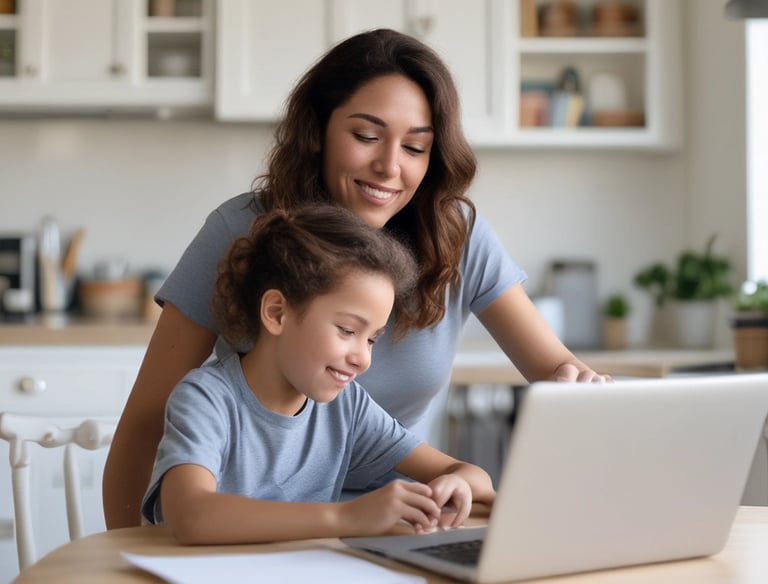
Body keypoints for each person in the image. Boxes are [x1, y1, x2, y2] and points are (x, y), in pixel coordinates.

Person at [104, 28, 609, 529]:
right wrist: (123, 558)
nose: (389, 166)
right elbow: (149, 425)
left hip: (400, 521)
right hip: (250, 523)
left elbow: (555, 372)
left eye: (415, 147)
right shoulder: (242, 234)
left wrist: (576, 385)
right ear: (318, 132)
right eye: (366, 136)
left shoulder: (455, 238)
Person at [141, 205, 496, 544]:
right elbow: (191, 515)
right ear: (277, 313)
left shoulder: (347, 407)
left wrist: (457, 484)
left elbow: (471, 476)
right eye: (346, 330)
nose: (362, 358)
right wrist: (346, 517)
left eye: (372, 339)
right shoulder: (206, 399)